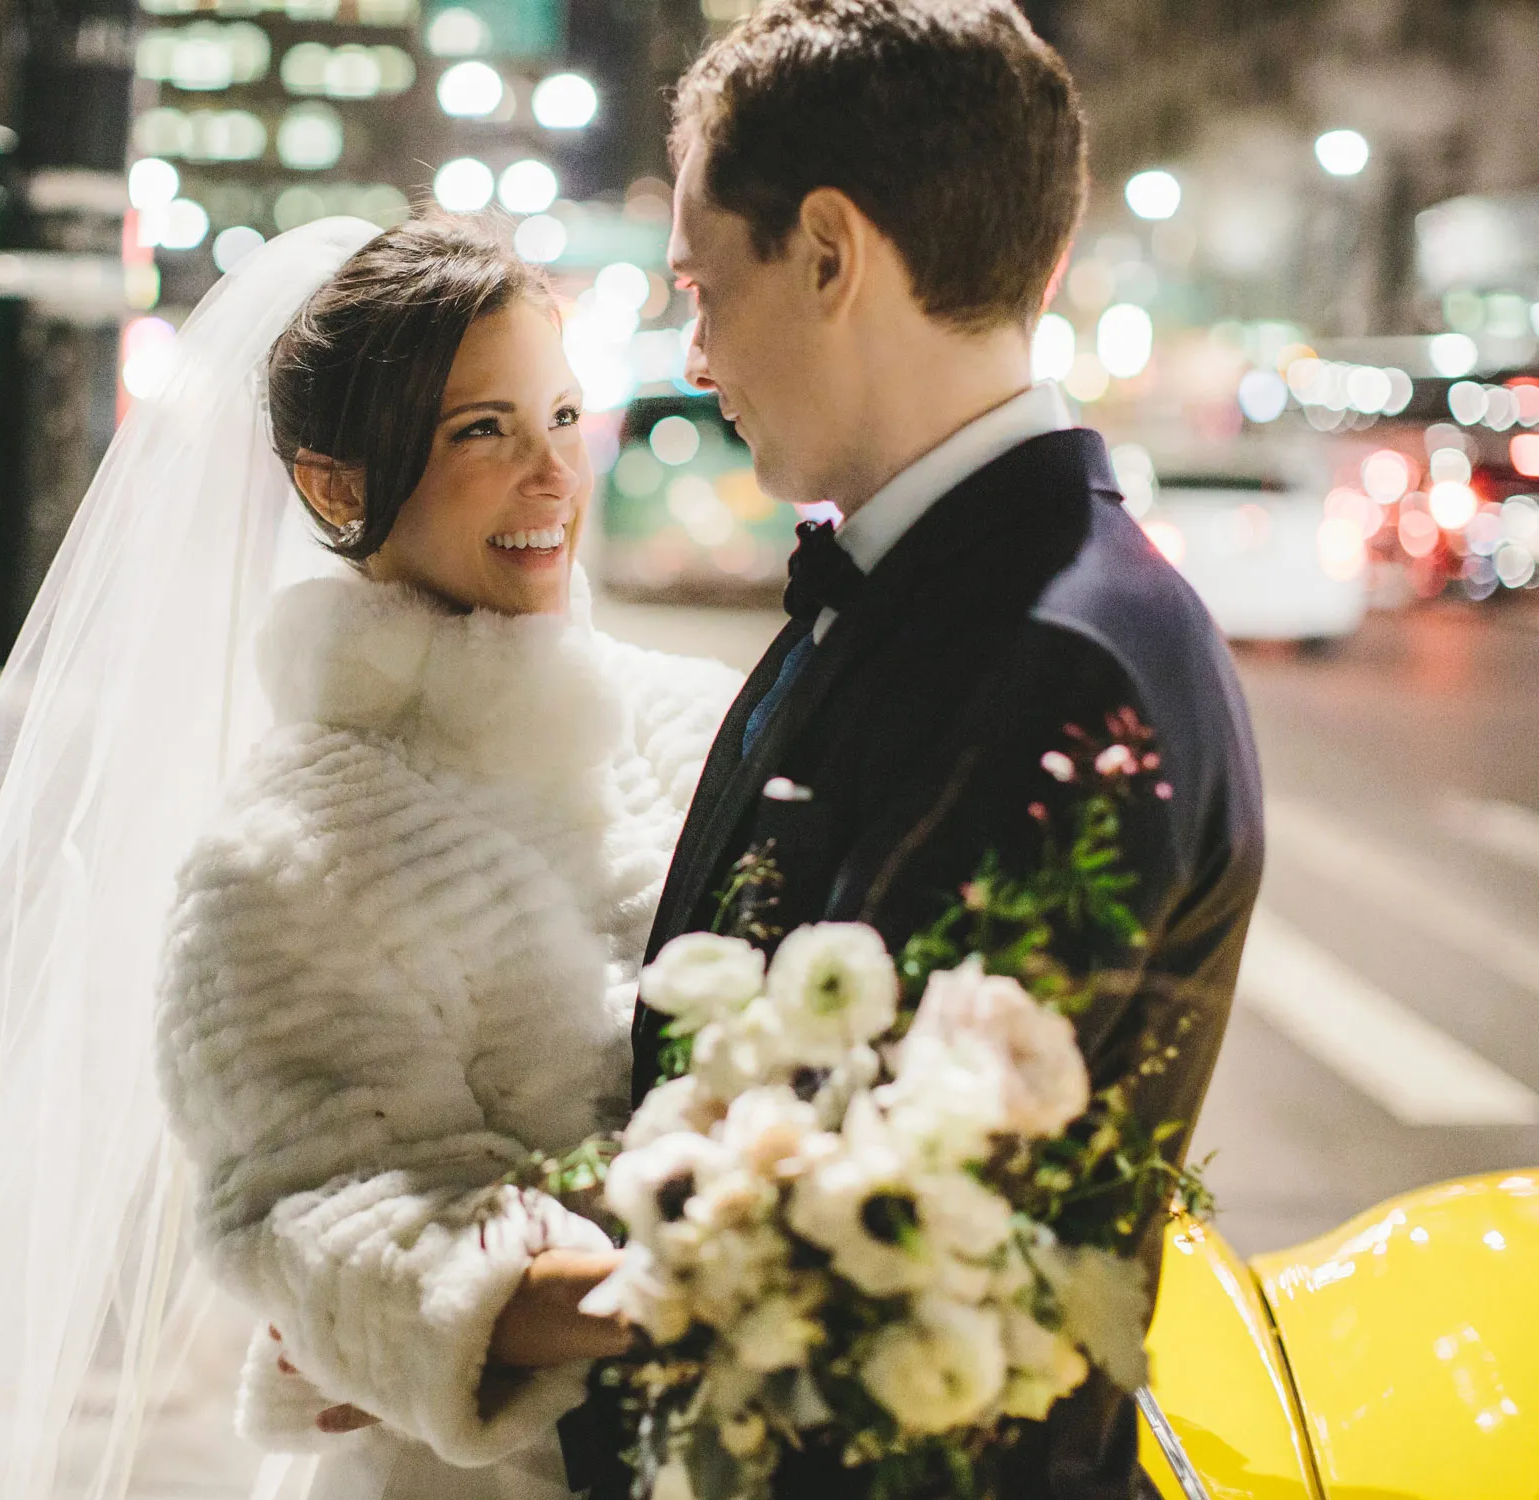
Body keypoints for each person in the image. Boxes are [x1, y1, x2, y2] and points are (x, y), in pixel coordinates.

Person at [613, 2, 1265, 1496]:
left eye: (705, 290)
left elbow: (869, 1226)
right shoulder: (950, 581)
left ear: (831, 254)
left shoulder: (1056, 660)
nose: (697, 351)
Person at [153, 214, 741, 1499]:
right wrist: (732, 1292)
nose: (551, 476)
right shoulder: (281, 858)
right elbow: (341, 1224)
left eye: (564, 418)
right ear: (334, 487)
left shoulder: (694, 724)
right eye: (482, 431)